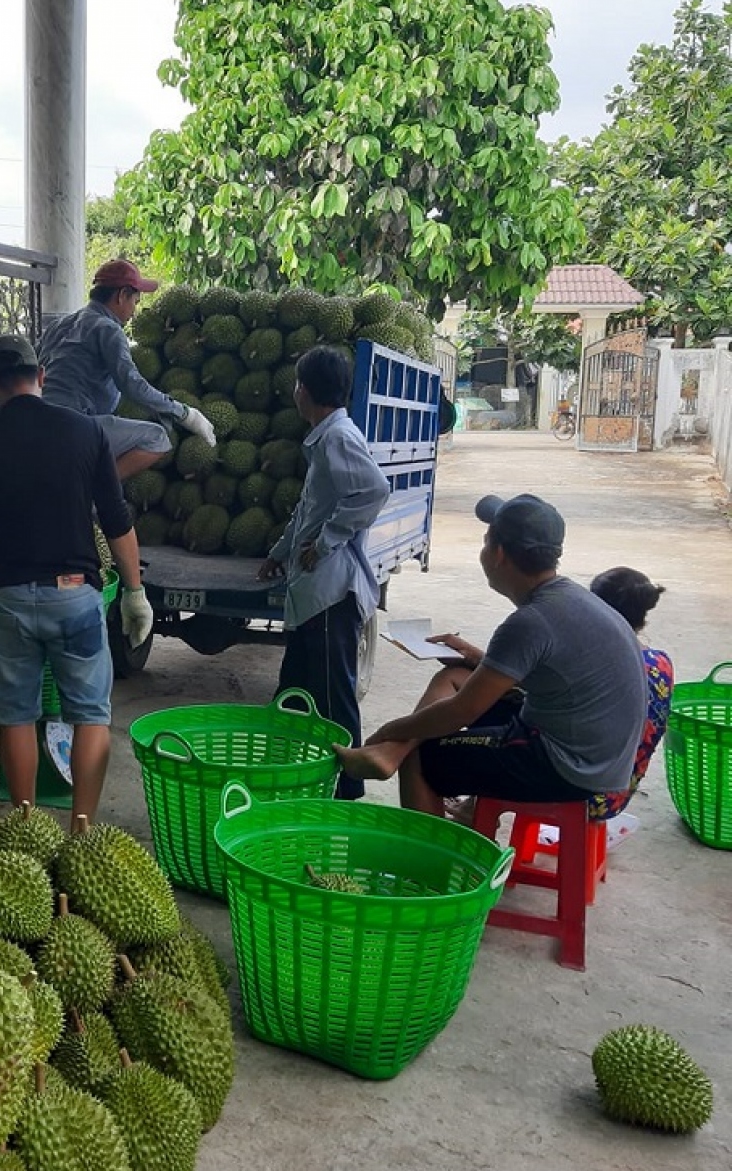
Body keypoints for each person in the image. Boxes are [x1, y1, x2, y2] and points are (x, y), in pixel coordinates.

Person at [333, 494, 649, 817]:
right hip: (591, 748)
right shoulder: (570, 599)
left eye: (485, 543)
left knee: (423, 756)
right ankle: (391, 753)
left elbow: (462, 712)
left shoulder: (531, 622)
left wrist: (389, 730)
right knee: (455, 676)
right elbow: (554, 678)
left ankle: (431, 860)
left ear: (498, 555)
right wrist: (479, 658)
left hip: (568, 766)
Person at [0, 334, 153, 825]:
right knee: (90, 716)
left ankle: (25, 827)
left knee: (16, 715)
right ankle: (81, 826)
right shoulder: (85, 433)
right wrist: (135, 592)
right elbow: (116, 519)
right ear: (40, 377)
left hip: (12, 600)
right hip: (75, 596)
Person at [257, 345, 390, 800]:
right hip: (312, 593)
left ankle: (347, 791)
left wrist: (328, 540)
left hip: (331, 594)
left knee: (334, 700)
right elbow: (310, 510)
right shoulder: (324, 437)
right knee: (294, 691)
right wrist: (281, 550)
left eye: (297, 385)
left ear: (305, 392)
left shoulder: (338, 438)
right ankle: (291, 776)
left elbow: (373, 491)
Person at [38, 258, 217, 479]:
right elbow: (131, 384)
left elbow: (36, 369)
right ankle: (97, 490)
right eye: (136, 301)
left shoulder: (59, 325)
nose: (134, 311)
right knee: (158, 438)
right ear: (122, 295)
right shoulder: (108, 329)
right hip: (73, 428)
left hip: (39, 422)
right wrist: (185, 414)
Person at [587, 567, 673, 822]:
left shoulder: (598, 664)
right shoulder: (660, 662)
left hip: (588, 792)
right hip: (620, 791)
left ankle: (472, 810)